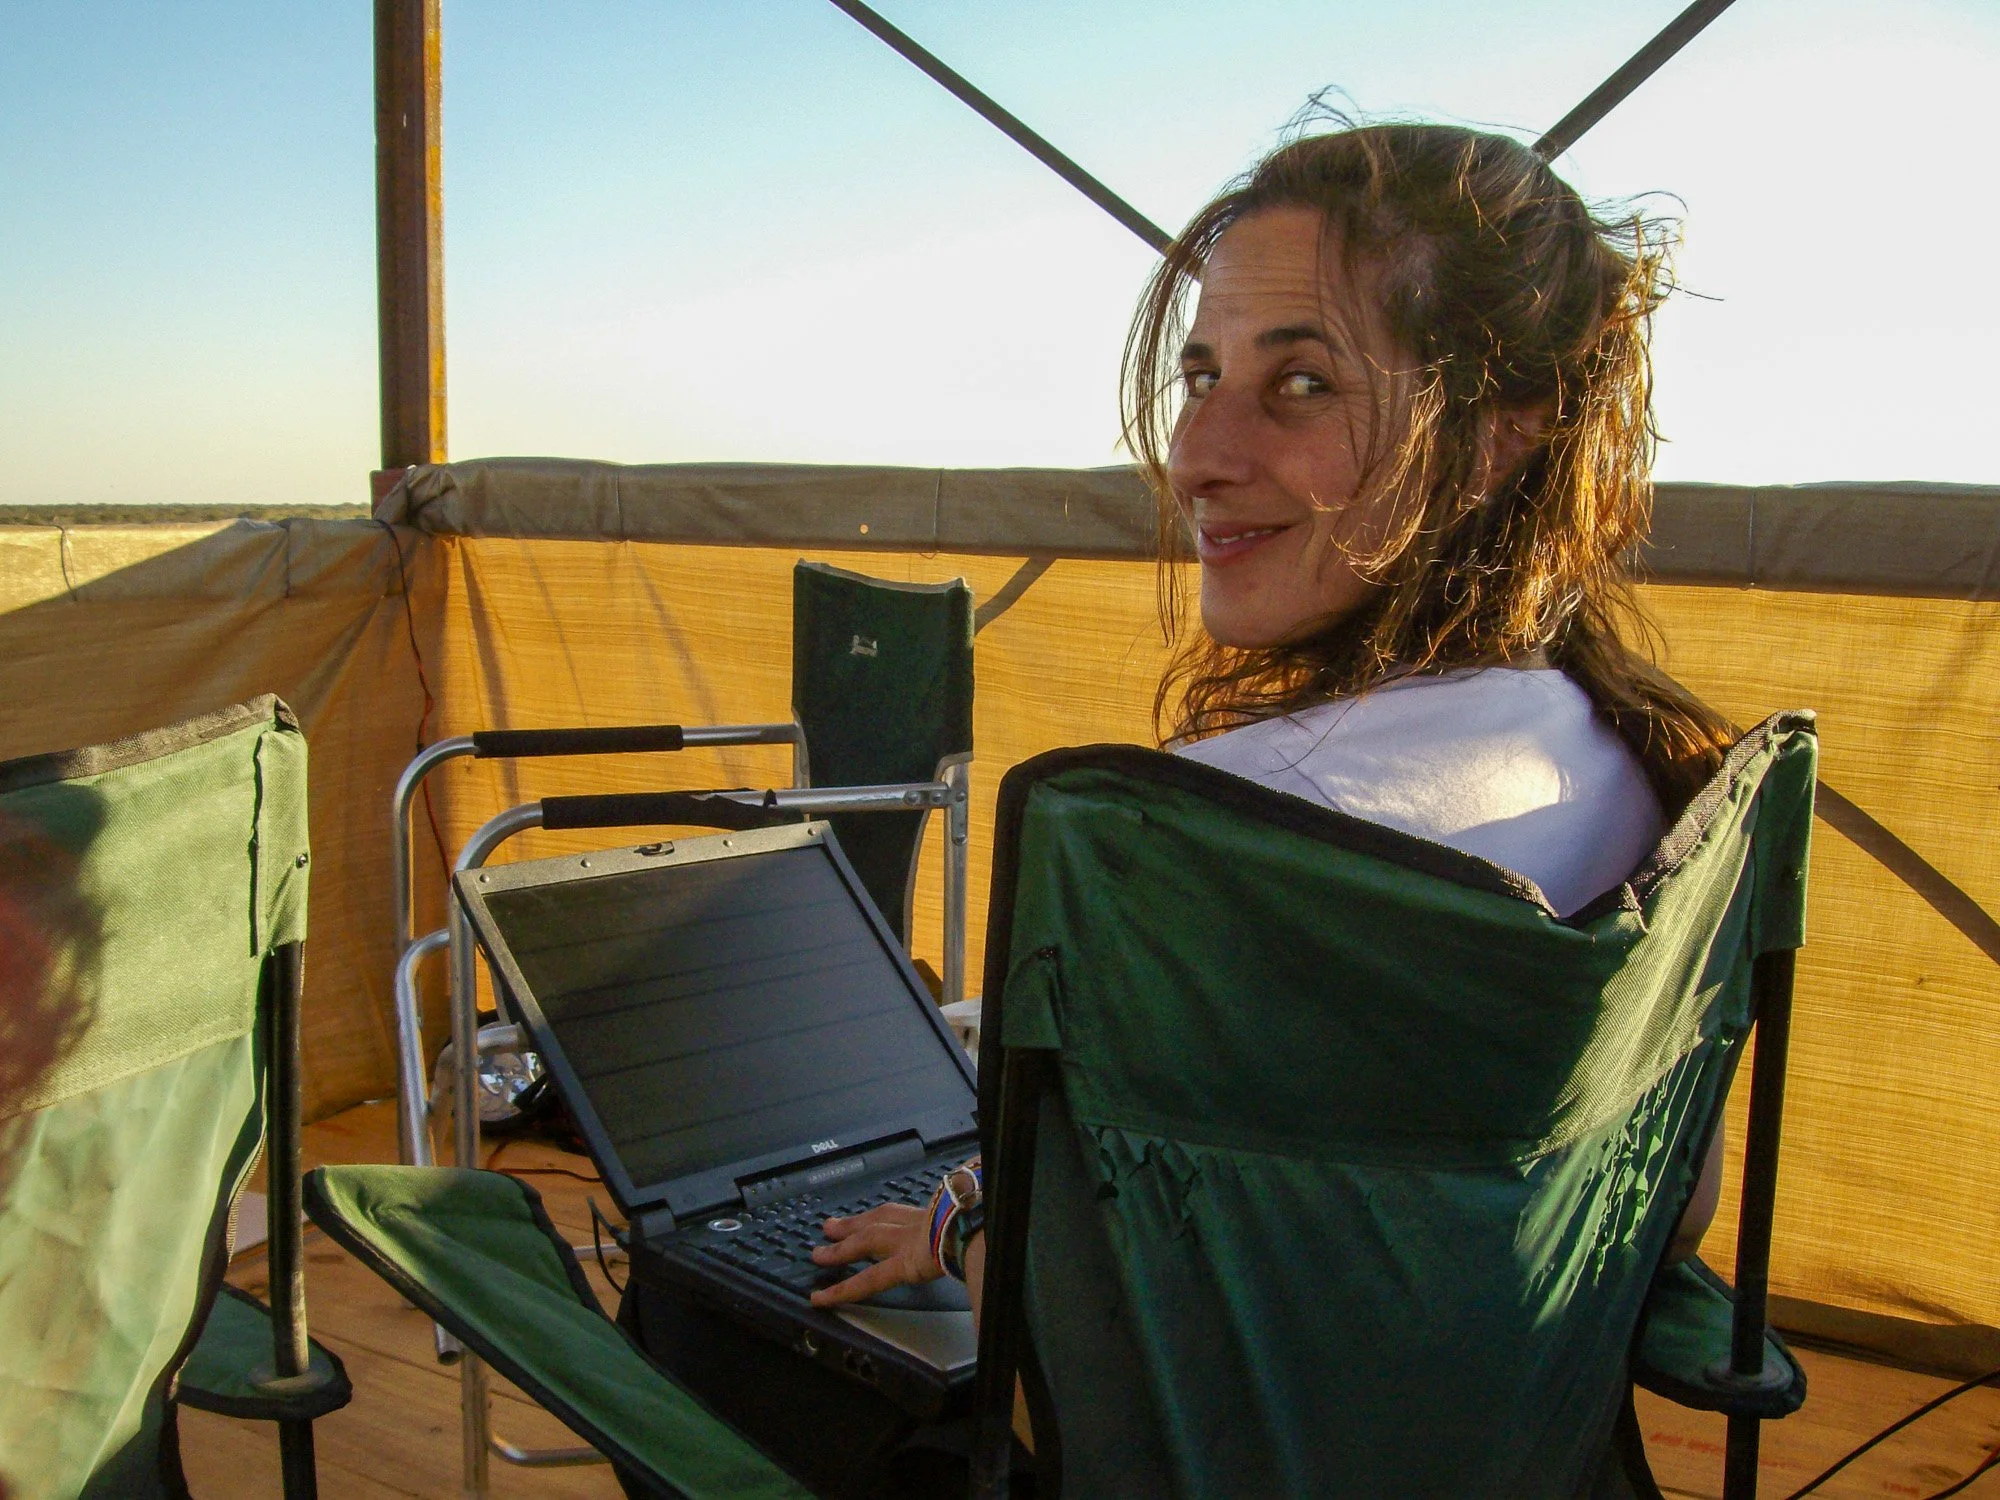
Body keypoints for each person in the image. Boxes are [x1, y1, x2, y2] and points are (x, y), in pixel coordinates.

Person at [809, 117, 1736, 1347]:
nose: (1194, 458)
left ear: (1499, 435)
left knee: (722, 1318)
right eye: (1201, 378)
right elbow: (1675, 1210)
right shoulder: (1638, 761)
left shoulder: (1219, 834)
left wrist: (960, 1230)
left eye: (1302, 384)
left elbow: (1089, 1337)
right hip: (1491, 1414)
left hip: (1201, 1425)